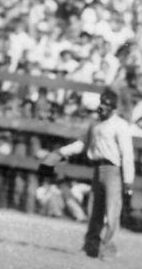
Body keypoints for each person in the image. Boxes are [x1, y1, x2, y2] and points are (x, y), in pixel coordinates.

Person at [53, 88, 135, 258]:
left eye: (106, 105)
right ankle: (90, 246)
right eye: (101, 103)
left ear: (113, 108)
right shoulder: (96, 125)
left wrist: (128, 179)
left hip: (113, 170)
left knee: (112, 212)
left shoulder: (120, 125)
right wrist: (62, 151)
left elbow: (127, 153)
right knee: (95, 211)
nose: (102, 107)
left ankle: (107, 248)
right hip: (98, 169)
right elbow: (84, 144)